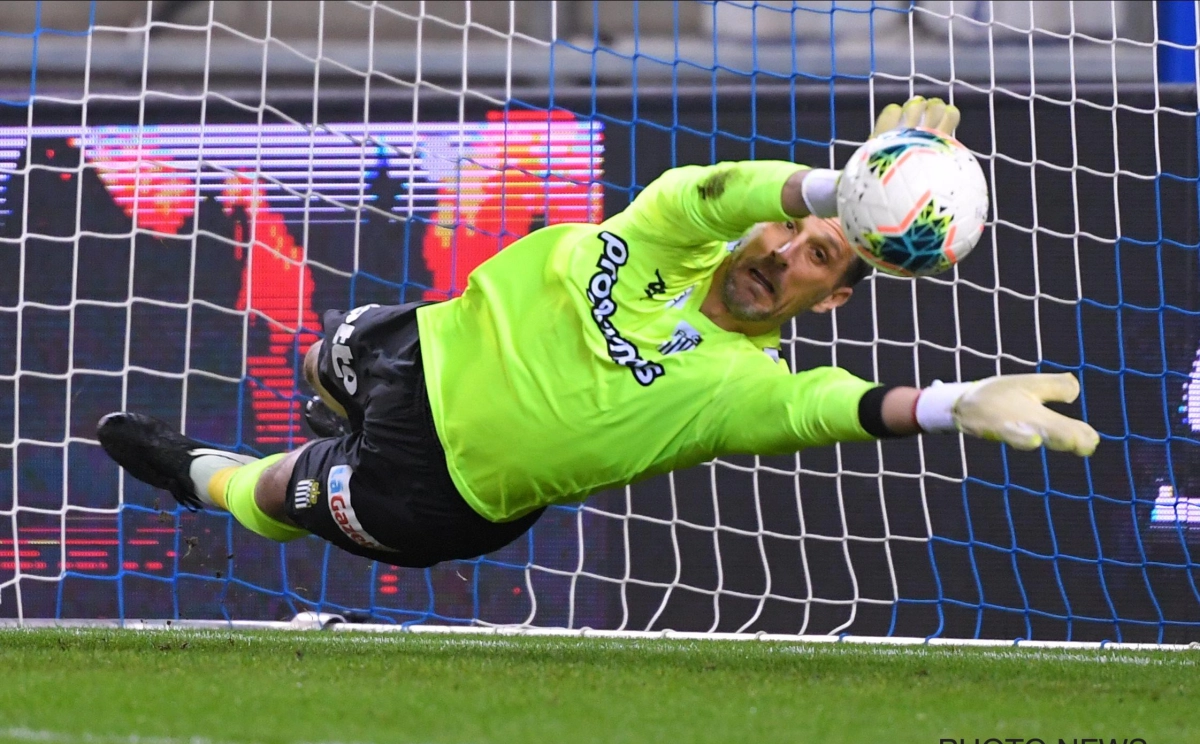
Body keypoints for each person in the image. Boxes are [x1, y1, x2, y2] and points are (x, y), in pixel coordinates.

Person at [98, 97, 1099, 569]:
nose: (785, 248)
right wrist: (859, 186)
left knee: (284, 487)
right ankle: (337, 380)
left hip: (438, 489)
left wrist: (952, 404)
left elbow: (824, 406)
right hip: (416, 341)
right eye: (788, 227)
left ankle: (197, 473)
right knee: (334, 346)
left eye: (821, 255)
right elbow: (726, 189)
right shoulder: (678, 220)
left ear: (830, 298)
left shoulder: (732, 385)